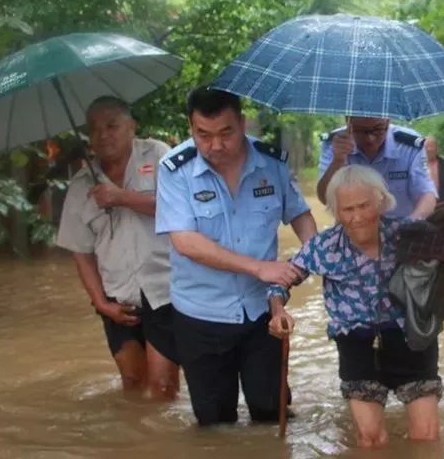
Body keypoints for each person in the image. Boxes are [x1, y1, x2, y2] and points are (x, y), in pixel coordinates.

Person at [155, 87, 318, 426]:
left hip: (262, 314)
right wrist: (260, 268)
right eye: (204, 135)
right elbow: (185, 241)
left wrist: (312, 258)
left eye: (226, 133)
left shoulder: (271, 163)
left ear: (242, 123)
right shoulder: (174, 171)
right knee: (214, 424)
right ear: (191, 128)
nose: (215, 145)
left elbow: (300, 216)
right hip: (200, 316)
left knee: (272, 412)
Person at [269, 165, 442, 448]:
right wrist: (278, 311)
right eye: (348, 209)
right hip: (357, 345)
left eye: (365, 206)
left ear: (381, 202)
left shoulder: (407, 235)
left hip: (412, 339)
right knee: (370, 440)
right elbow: (281, 283)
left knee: (426, 437)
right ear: (336, 212)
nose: (358, 217)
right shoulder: (323, 247)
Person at [55, 96, 179, 399]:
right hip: (118, 296)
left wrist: (122, 197)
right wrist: (101, 303)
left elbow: (182, 211)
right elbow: (80, 252)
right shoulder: (82, 184)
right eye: (95, 129)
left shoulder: (160, 156)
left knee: (163, 387)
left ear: (132, 127)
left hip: (165, 291)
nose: (103, 135)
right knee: (133, 383)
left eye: (112, 125)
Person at [317, 117, 436, 219]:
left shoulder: (408, 145)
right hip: (354, 231)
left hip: (402, 230)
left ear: (388, 122)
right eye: (361, 131)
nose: (370, 139)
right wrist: (337, 161)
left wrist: (410, 223)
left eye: (378, 130)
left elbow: (426, 195)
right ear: (348, 123)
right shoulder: (335, 144)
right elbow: (325, 198)